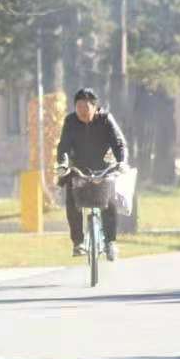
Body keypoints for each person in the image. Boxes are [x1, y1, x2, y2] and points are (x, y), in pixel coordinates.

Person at [56, 88, 127, 261]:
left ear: (95, 107)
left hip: (103, 168)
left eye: (86, 107)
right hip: (79, 169)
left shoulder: (105, 119)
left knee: (109, 201)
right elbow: (63, 147)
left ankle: (110, 242)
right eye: (78, 107)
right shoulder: (70, 121)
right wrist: (63, 164)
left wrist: (121, 161)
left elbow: (119, 144)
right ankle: (78, 242)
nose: (82, 111)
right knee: (72, 201)